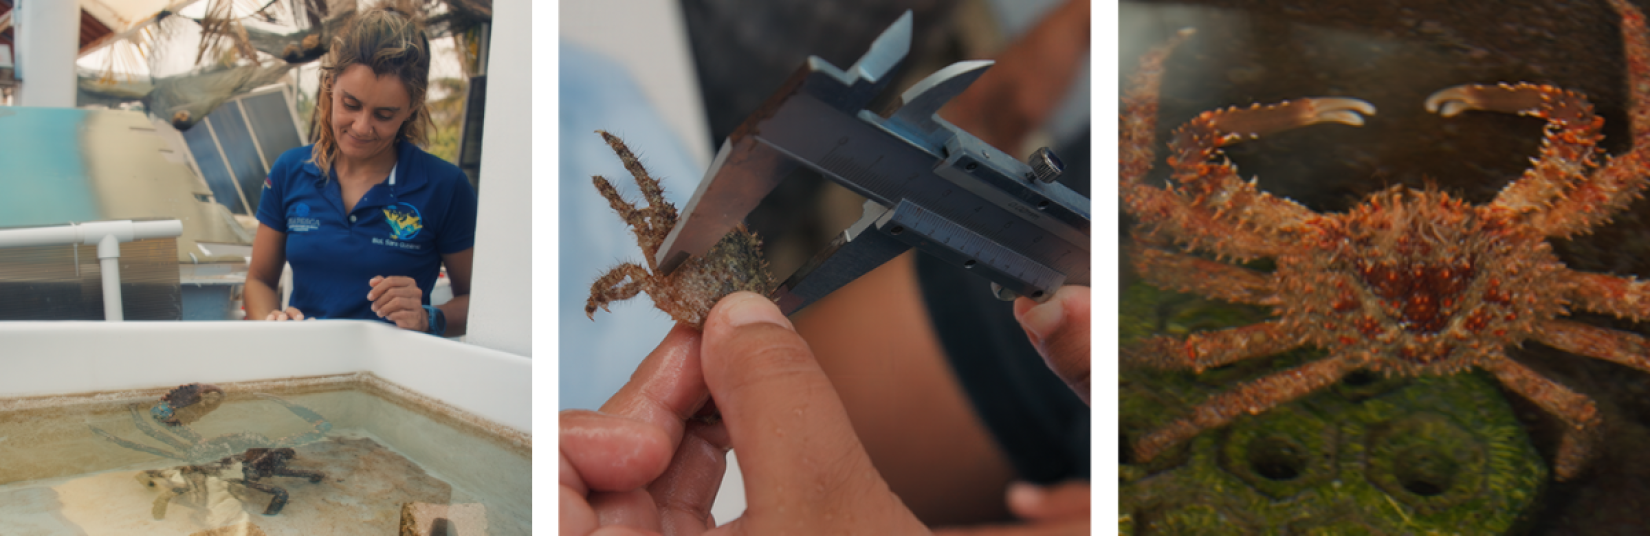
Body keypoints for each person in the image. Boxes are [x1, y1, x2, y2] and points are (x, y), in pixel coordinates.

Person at [245, 6, 477, 337]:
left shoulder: (446, 187)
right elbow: (258, 281)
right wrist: (272, 322)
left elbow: (476, 302)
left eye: (384, 114)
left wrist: (428, 317)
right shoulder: (290, 171)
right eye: (351, 104)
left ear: (411, 108)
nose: (362, 127)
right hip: (305, 371)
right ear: (330, 85)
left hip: (395, 380)